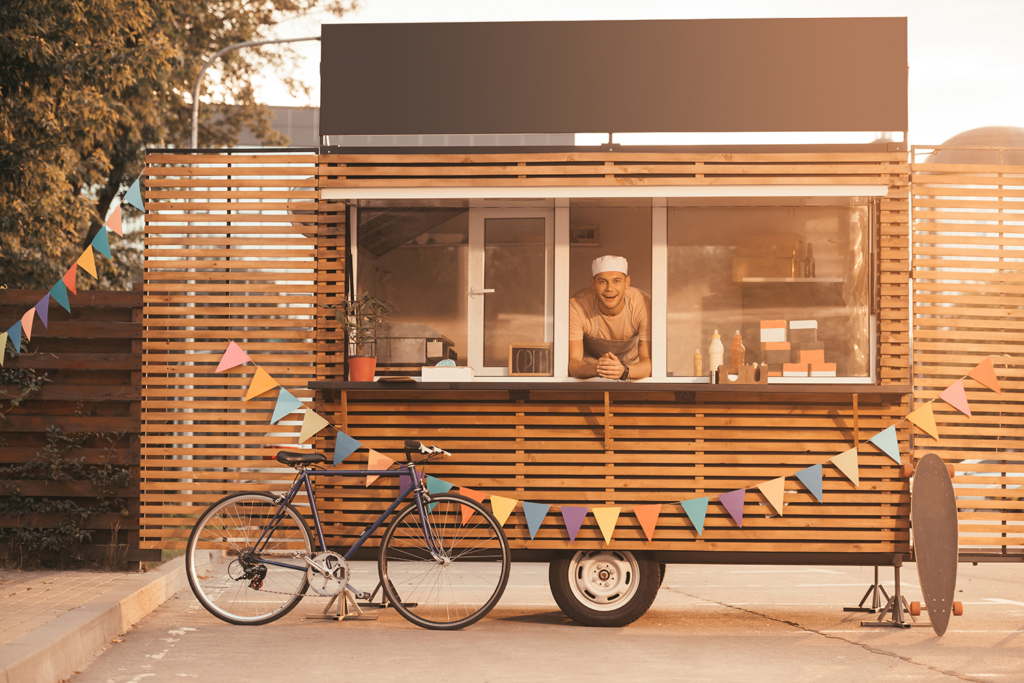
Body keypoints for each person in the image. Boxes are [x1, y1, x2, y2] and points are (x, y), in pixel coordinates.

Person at [568, 255, 652, 380]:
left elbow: (648, 363)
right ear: (593, 283)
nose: (609, 289)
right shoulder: (578, 306)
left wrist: (623, 370)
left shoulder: (643, 305)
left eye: (617, 281)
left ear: (627, 283)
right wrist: (598, 368)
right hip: (591, 371)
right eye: (602, 281)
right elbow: (573, 364)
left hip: (631, 369)